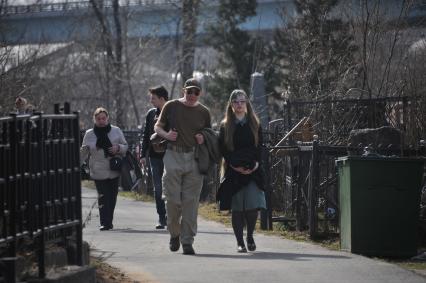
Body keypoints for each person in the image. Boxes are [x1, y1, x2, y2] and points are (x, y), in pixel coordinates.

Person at [154, 78, 212, 255]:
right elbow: (157, 127)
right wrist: (167, 134)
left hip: (194, 157)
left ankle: (187, 241)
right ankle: (174, 233)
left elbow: (209, 133)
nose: (192, 95)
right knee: (172, 200)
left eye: (196, 92)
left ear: (200, 93)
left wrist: (203, 136)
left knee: (191, 202)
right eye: (189, 92)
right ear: (183, 91)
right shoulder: (171, 106)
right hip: (173, 154)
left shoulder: (204, 111)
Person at [217, 89, 266, 253]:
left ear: (246, 103)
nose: (239, 105)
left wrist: (256, 165)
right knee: (237, 208)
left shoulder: (255, 123)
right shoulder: (225, 126)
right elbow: (223, 149)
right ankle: (240, 242)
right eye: (235, 102)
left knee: (252, 206)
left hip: (253, 170)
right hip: (233, 170)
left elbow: (260, 147)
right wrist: (234, 165)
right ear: (231, 105)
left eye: (242, 101)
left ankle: (250, 236)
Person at [80, 107, 128, 231]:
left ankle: (109, 221)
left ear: (107, 118)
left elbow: (125, 146)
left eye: (103, 118)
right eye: (98, 119)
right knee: (102, 196)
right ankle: (104, 222)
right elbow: (84, 152)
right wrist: (77, 164)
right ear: (94, 119)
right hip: (98, 169)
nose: (101, 121)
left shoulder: (116, 131)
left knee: (112, 197)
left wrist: (118, 148)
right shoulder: (89, 134)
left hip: (113, 168)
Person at [140, 85, 169, 229]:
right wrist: (142, 155)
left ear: (162, 99)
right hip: (154, 156)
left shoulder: (173, 112)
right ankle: (161, 218)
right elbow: (145, 135)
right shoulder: (151, 114)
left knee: (170, 187)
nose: (151, 101)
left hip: (171, 156)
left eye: (154, 98)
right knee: (158, 188)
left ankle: (172, 215)